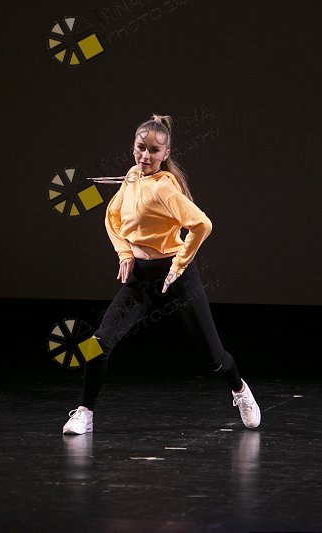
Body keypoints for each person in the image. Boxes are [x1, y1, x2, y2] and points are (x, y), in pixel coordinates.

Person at [62, 114, 260, 435]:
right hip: (141, 279)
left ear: (166, 154)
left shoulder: (165, 188)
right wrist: (125, 253)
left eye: (154, 150)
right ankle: (84, 411)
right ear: (133, 147)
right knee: (97, 343)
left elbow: (202, 225)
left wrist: (179, 265)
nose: (146, 156)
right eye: (141, 148)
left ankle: (239, 390)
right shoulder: (131, 177)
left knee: (213, 356)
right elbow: (112, 217)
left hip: (177, 278)